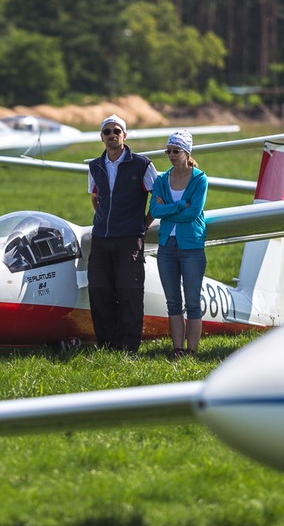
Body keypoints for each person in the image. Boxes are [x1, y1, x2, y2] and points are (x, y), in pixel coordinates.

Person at [87, 114, 159, 354]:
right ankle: (107, 346)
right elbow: (95, 197)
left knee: (129, 292)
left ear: (124, 135)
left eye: (116, 131)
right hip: (101, 238)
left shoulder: (142, 164)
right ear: (101, 137)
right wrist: (103, 219)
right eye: (107, 132)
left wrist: (143, 225)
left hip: (129, 238)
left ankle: (128, 348)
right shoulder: (94, 166)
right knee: (99, 290)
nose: (112, 135)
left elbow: (158, 198)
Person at [149, 130, 208, 358]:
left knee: (192, 301)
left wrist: (170, 210)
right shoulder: (162, 180)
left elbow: (193, 213)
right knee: (173, 301)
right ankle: (177, 349)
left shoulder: (199, 179)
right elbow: (154, 210)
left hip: (191, 246)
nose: (171, 155)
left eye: (176, 151)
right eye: (169, 151)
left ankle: (191, 351)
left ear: (187, 152)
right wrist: (179, 205)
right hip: (166, 246)